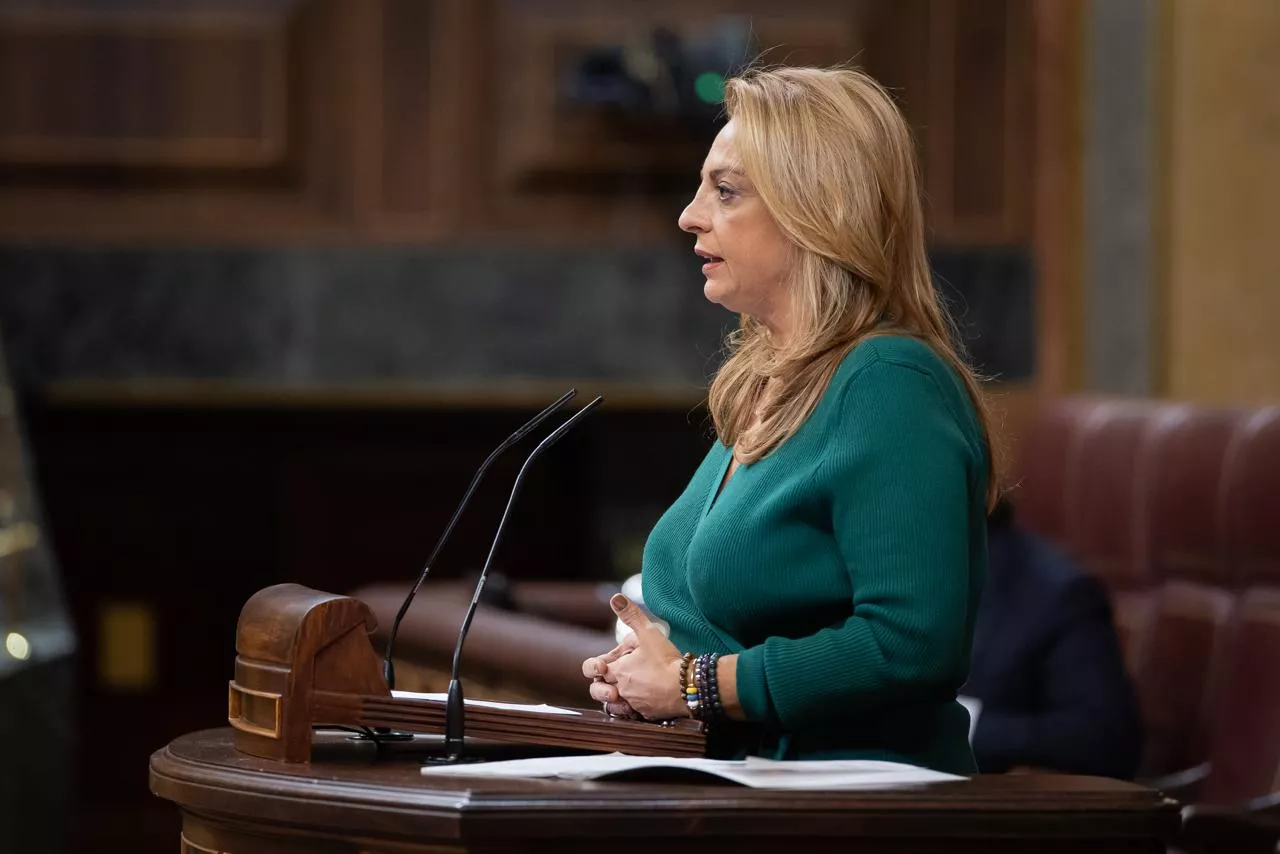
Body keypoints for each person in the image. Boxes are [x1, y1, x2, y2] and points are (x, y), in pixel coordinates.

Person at [581, 66, 999, 775]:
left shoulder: (888, 383)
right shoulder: (769, 384)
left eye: (726, 190)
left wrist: (697, 684)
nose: (690, 215)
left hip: (855, 804)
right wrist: (644, 674)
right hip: (746, 788)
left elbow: (910, 642)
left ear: (820, 208)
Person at [960, 498, 1143, 778]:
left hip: (997, 807)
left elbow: (1102, 738)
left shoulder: (1057, 593)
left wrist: (956, 726)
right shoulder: (892, 571)